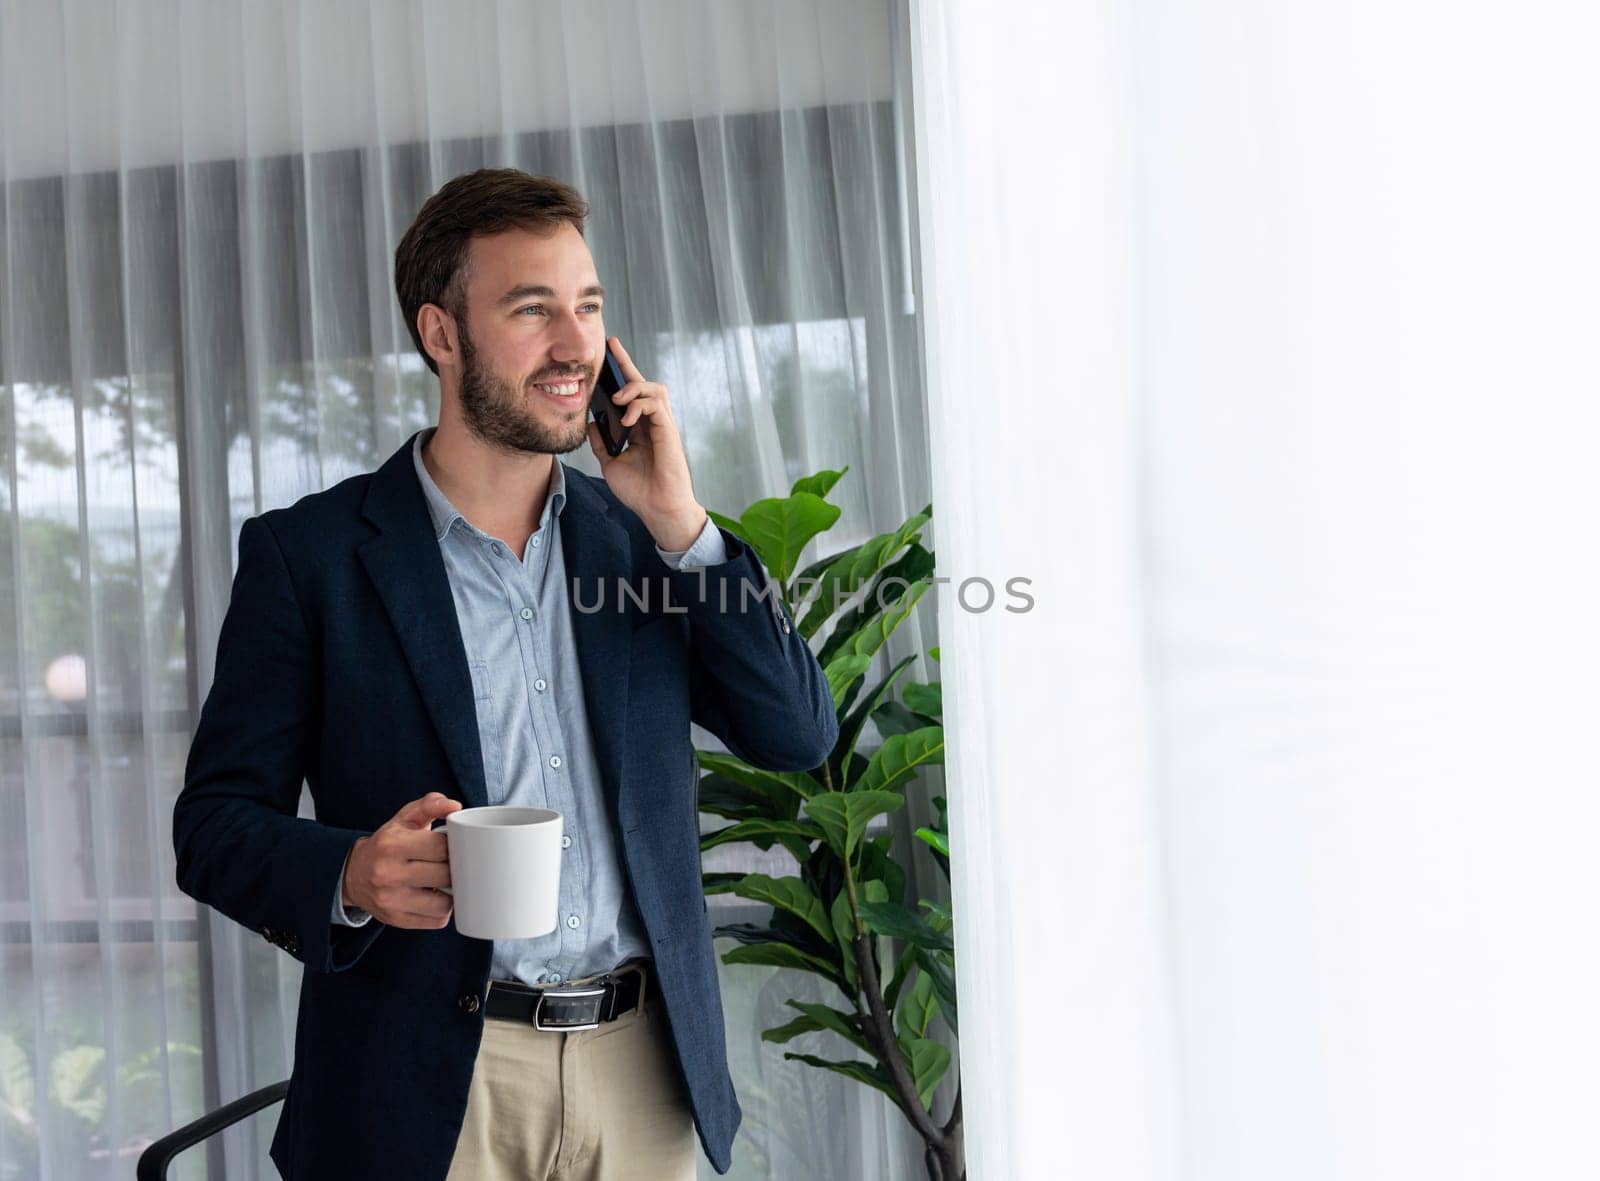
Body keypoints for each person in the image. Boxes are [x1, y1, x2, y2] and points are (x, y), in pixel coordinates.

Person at [172, 168, 838, 1180]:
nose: (575, 345)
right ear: (442, 334)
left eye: (588, 308)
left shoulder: (645, 542)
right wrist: (349, 871)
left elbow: (798, 732)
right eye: (533, 310)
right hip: (425, 1082)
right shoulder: (308, 556)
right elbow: (214, 824)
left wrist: (683, 526)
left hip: (641, 1078)